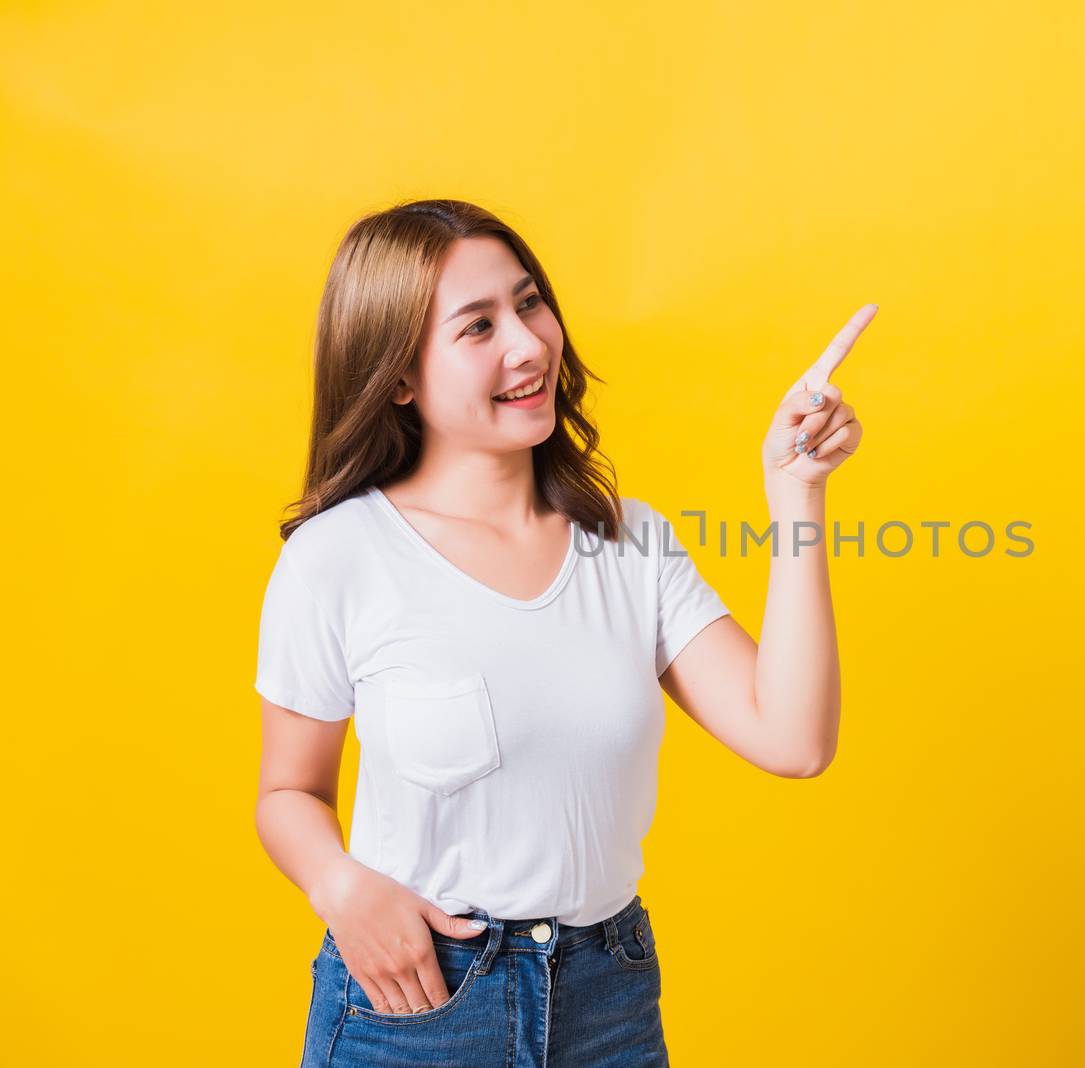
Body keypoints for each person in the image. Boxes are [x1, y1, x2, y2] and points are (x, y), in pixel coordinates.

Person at [253, 197, 872, 1067]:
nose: (530, 344)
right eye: (478, 326)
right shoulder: (339, 557)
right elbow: (288, 793)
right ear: (398, 376)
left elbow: (795, 738)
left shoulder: (631, 544)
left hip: (608, 1001)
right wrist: (341, 886)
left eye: (530, 301)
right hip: (418, 1004)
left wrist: (797, 497)